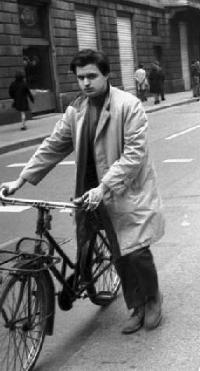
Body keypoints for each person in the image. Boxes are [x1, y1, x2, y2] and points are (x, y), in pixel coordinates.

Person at [0, 49, 165, 334]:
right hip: (88, 195)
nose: (86, 83)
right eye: (80, 78)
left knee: (135, 251)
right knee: (117, 253)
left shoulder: (129, 106)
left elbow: (134, 155)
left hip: (124, 191)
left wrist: (104, 187)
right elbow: (53, 145)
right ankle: (136, 305)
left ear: (106, 75)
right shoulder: (77, 110)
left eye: (91, 76)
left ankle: (153, 299)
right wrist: (21, 179)